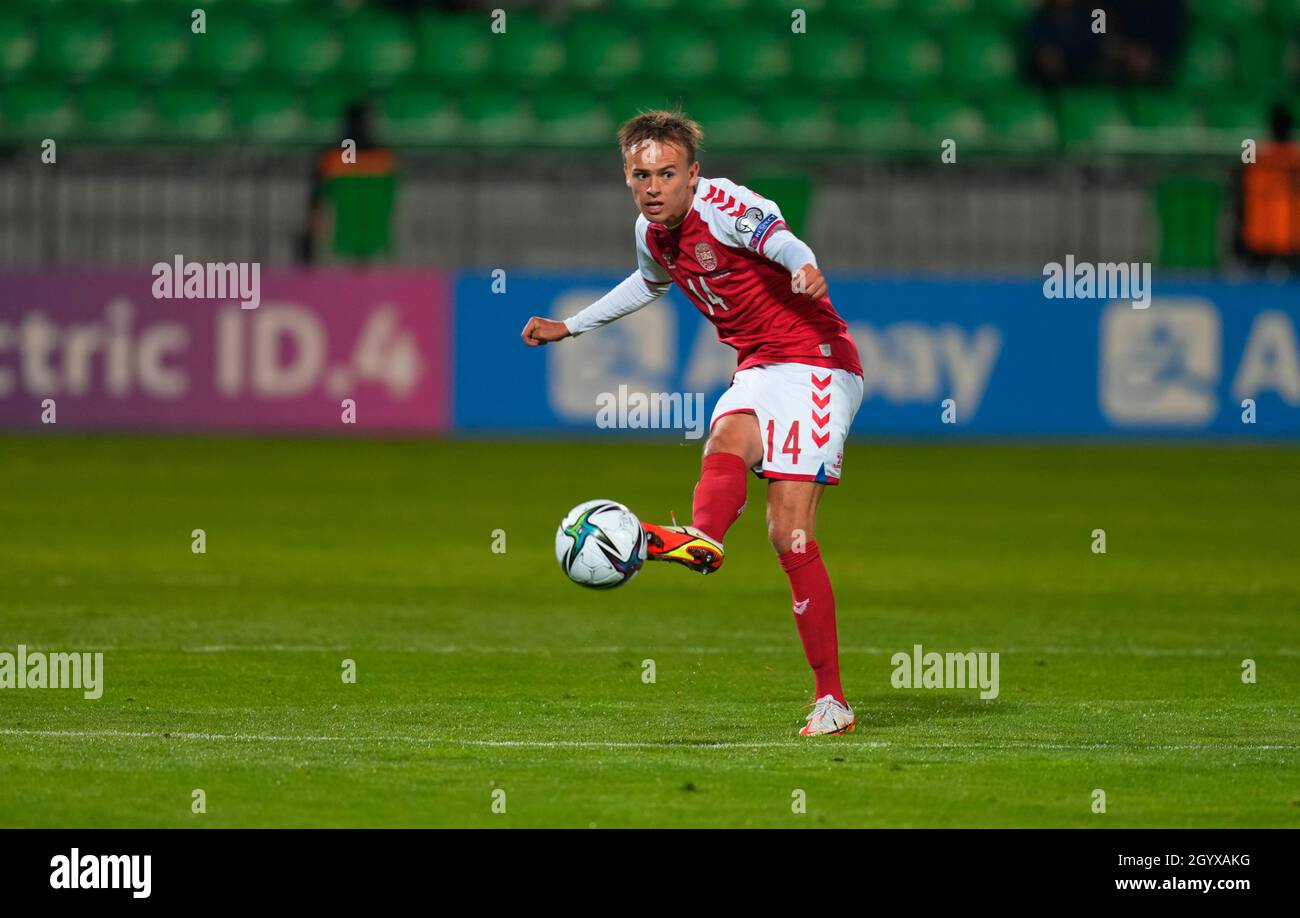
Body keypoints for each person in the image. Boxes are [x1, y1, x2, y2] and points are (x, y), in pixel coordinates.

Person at [520, 110, 864, 736]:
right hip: (759, 363)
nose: (654, 187)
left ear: (693, 174)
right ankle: (701, 540)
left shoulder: (728, 205)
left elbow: (784, 240)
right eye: (641, 175)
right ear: (627, 178)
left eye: (667, 174)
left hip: (816, 358)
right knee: (725, 435)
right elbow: (647, 285)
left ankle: (832, 700)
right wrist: (569, 325)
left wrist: (802, 266)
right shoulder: (651, 235)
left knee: (790, 536)